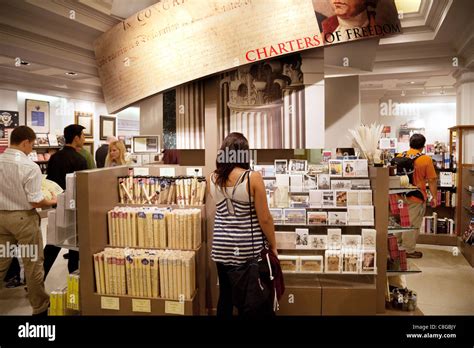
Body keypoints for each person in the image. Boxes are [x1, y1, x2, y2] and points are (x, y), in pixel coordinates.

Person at [208, 132, 278, 318]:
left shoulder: (212, 179)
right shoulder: (252, 177)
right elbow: (265, 218)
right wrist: (273, 245)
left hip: (221, 247)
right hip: (247, 250)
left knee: (226, 296)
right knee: (250, 299)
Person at [0, 126, 57, 315]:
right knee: (32, 262)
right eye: (32, 145)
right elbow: (35, 200)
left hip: (1, 219)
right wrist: (53, 200)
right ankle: (40, 306)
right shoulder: (29, 166)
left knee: (1, 260)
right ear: (25, 142)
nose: (32, 149)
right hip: (23, 220)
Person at [44, 124, 88, 279]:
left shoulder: (55, 157)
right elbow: (82, 187)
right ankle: (74, 279)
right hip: (74, 207)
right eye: (83, 135)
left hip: (58, 205)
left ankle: (37, 279)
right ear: (76, 138)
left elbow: (49, 182)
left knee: (53, 243)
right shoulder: (80, 159)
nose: (84, 139)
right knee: (75, 245)